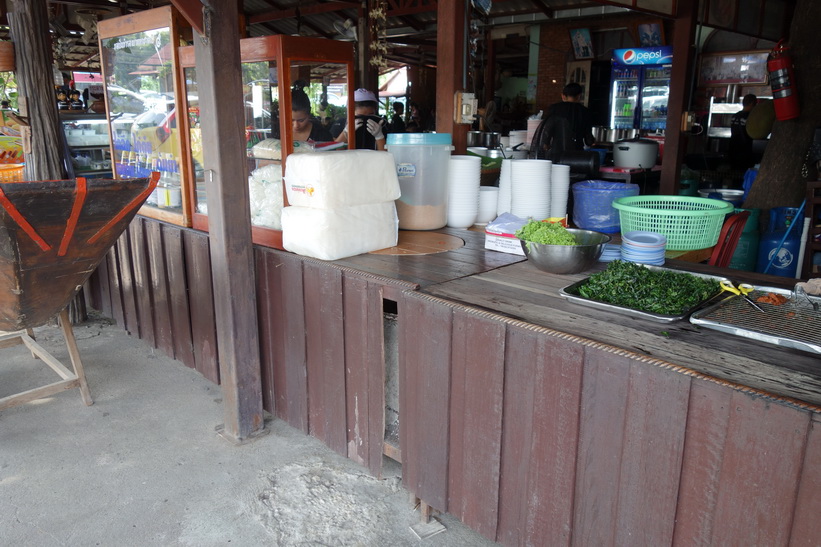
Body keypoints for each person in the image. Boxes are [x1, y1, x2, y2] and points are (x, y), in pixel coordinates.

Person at [546, 82, 593, 151]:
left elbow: (547, 129)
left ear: (564, 96)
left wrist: (546, 143)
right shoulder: (585, 111)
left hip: (557, 150)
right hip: (577, 150)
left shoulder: (554, 108)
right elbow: (588, 139)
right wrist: (592, 142)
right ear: (579, 96)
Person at [729, 93, 757, 170]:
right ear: (752, 103)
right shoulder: (750, 117)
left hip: (733, 147)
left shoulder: (734, 116)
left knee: (734, 172)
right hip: (745, 149)